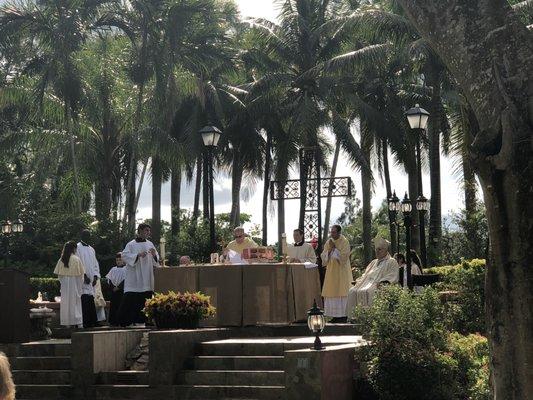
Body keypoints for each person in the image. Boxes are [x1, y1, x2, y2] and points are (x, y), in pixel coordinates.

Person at [118, 223, 160, 327]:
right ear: (140, 231)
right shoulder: (131, 244)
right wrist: (137, 255)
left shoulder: (150, 244)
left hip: (146, 276)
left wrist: (155, 255)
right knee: (131, 299)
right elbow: (124, 256)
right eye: (146, 230)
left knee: (144, 300)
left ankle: (141, 321)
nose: (148, 233)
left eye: (149, 231)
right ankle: (126, 322)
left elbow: (156, 261)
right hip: (134, 278)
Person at [345, 237, 399, 316]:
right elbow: (365, 274)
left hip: (379, 286)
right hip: (366, 283)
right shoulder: (373, 262)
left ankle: (370, 318)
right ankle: (353, 317)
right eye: (376, 249)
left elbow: (393, 275)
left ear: (386, 250)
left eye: (379, 249)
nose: (377, 251)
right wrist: (358, 281)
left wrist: (383, 282)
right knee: (352, 291)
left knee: (369, 292)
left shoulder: (391, 261)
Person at [320, 225, 353, 323]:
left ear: (339, 232)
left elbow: (344, 257)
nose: (332, 234)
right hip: (331, 271)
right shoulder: (329, 242)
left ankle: (343, 316)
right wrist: (330, 250)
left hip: (342, 271)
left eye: (334, 232)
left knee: (342, 291)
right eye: (331, 232)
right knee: (332, 291)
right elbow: (323, 256)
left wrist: (334, 248)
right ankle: (334, 316)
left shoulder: (344, 241)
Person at [53, 241, 85, 328]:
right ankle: (78, 322)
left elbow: (59, 276)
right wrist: (80, 287)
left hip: (64, 285)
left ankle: (67, 323)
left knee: (65, 303)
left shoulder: (61, 259)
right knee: (75, 303)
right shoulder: (76, 259)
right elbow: (81, 276)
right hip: (74, 284)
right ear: (74, 249)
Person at [77, 230, 100, 328]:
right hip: (83, 279)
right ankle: (85, 322)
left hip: (91, 280)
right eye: (86, 235)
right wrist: (84, 276)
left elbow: (95, 264)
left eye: (89, 235)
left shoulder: (92, 249)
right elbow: (78, 262)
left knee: (91, 299)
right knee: (84, 299)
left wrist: (95, 276)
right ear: (82, 236)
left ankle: (93, 321)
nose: (88, 237)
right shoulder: (77, 247)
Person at [105, 252, 125, 326]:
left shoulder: (126, 269)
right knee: (113, 307)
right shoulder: (113, 269)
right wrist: (113, 287)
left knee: (121, 306)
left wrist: (119, 287)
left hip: (121, 291)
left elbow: (125, 280)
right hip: (114, 292)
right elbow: (109, 279)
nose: (118, 261)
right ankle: (113, 321)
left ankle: (121, 321)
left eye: (120, 260)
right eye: (117, 260)